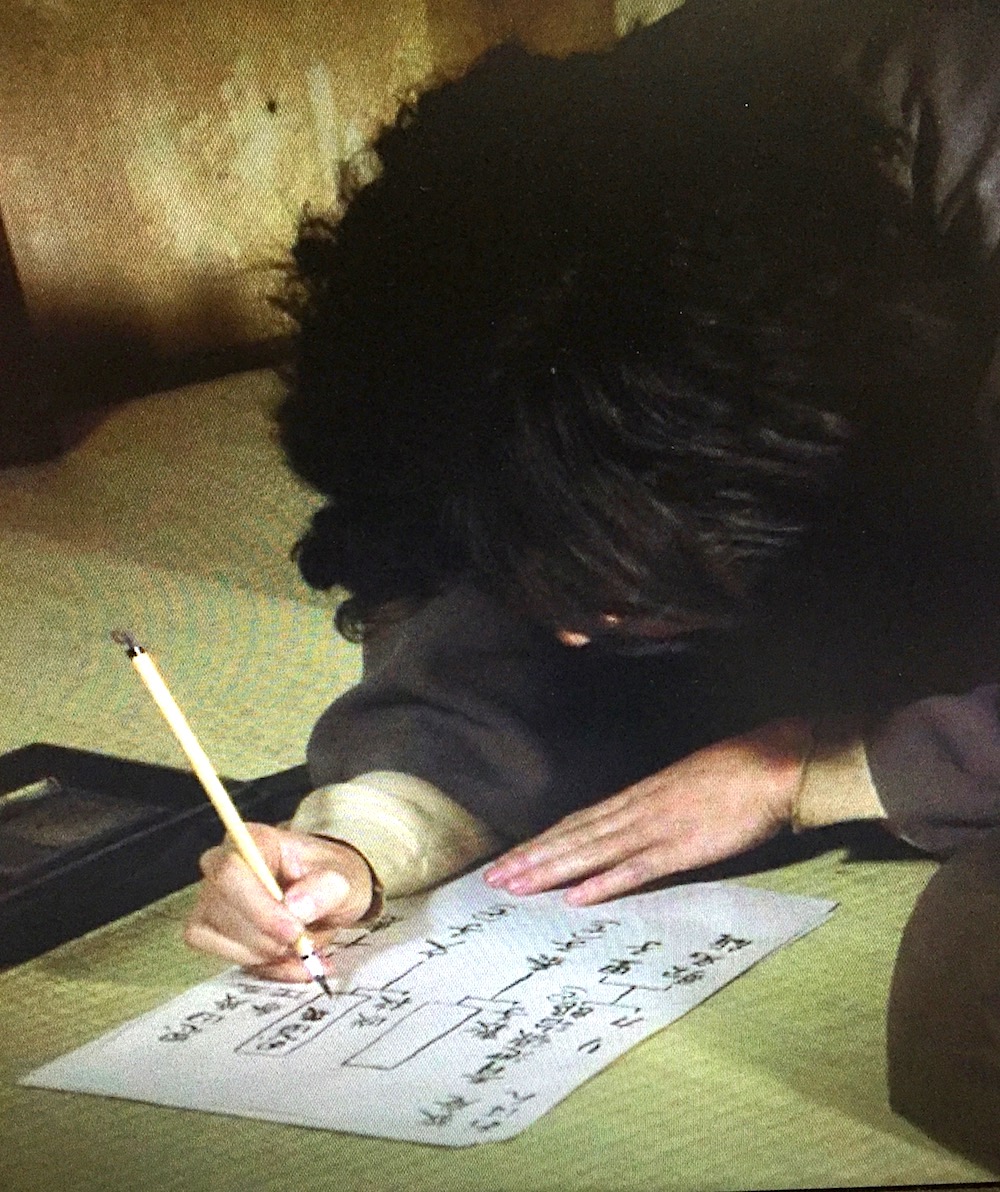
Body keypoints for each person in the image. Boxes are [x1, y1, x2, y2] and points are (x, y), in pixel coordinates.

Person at [186, 0, 1000, 981]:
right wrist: (364, 835)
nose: (570, 635)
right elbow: (508, 514)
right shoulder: (588, 216)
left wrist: (819, 769)